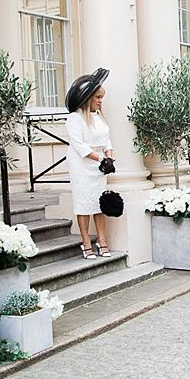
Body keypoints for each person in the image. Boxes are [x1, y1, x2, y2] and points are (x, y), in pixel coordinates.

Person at [64, 68, 114, 259]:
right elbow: (79, 146)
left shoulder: (99, 117)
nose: (100, 101)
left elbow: (106, 139)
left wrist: (108, 156)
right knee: (84, 204)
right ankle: (86, 242)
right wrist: (101, 158)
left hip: (99, 165)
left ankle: (102, 240)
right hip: (82, 165)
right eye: (97, 97)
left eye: (102, 97)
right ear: (87, 98)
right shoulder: (74, 118)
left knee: (99, 203)